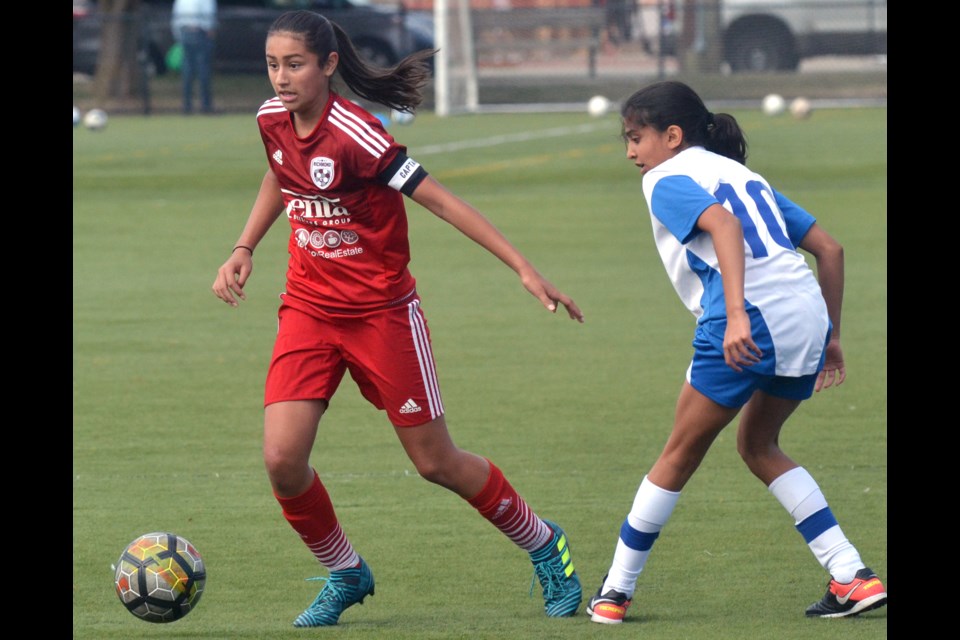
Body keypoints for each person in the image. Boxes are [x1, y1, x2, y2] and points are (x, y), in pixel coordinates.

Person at [210, 9, 585, 628]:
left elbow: (440, 201)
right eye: (273, 64)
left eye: (295, 64)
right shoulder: (270, 119)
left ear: (329, 65)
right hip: (307, 310)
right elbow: (281, 176)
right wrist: (244, 246)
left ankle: (545, 544)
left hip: (382, 316)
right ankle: (346, 571)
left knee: (436, 462)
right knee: (282, 459)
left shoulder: (358, 135)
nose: (281, 77)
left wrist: (522, 266)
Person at [585, 80, 887, 624]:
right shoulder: (742, 175)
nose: (631, 152)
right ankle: (852, 576)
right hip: (805, 317)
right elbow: (829, 249)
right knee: (759, 445)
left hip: (751, 318)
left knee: (678, 453)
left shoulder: (665, 177)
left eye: (635, 137)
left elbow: (721, 225)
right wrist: (832, 335)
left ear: (671, 137)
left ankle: (615, 593)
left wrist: (739, 315)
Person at [171, 0, 217, 114]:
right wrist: (210, 29)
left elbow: (176, 18)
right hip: (200, 33)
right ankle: (205, 106)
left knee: (188, 70)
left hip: (185, 33)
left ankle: (187, 106)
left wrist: (178, 36)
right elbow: (209, 14)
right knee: (203, 70)